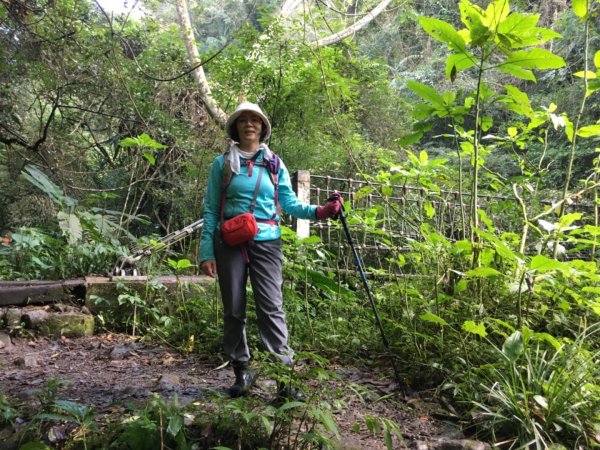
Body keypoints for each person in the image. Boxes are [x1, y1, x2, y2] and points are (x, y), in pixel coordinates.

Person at [199, 102, 341, 399]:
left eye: (255, 120)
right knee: (233, 309)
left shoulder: (274, 162)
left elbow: (289, 203)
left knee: (271, 308)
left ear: (262, 127)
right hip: (230, 243)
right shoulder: (221, 163)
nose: (249, 124)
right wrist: (206, 252)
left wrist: (321, 211)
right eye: (243, 120)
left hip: (267, 241)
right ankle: (242, 371)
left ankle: (284, 379)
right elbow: (211, 209)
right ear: (235, 127)